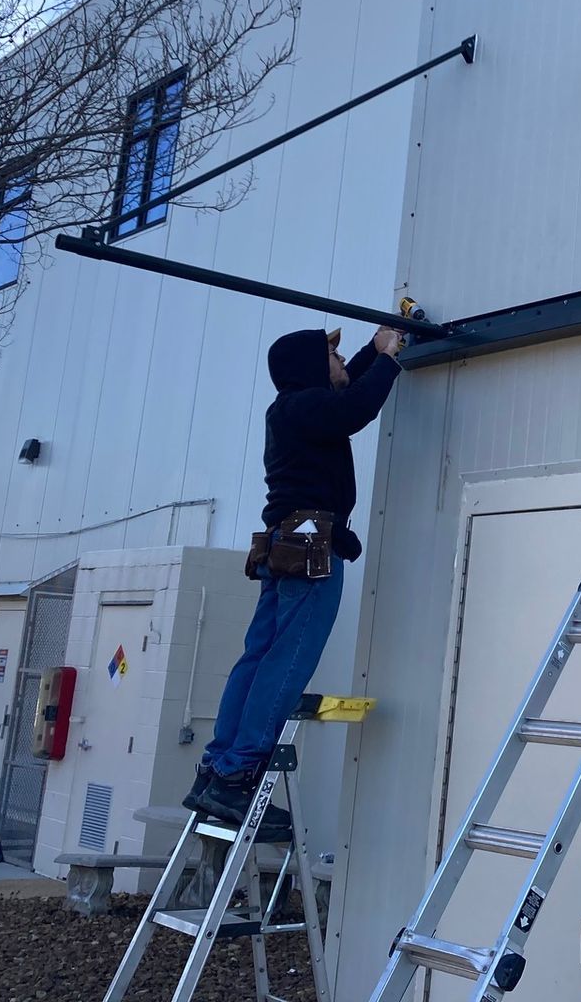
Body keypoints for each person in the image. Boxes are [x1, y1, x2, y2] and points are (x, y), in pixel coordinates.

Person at [184, 322, 404, 826]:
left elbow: (345, 391)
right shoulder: (304, 407)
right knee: (286, 661)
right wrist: (389, 358)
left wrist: (373, 352)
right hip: (309, 545)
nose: (342, 364)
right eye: (334, 357)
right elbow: (353, 408)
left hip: (286, 542)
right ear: (310, 368)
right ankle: (239, 776)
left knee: (259, 656)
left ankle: (219, 768)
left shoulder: (294, 410)